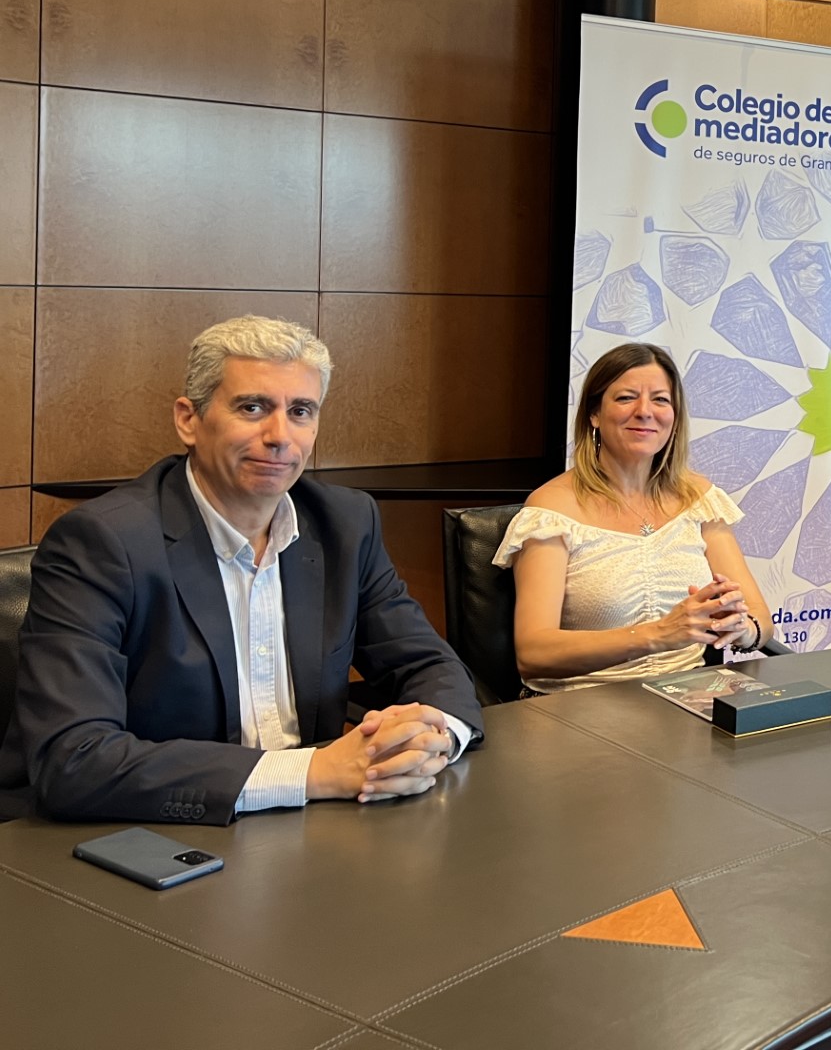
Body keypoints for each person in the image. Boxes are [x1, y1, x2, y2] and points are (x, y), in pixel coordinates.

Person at [0, 316, 483, 825]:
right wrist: (311, 772)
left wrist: (430, 739)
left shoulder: (345, 524)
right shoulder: (102, 542)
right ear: (188, 420)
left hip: (308, 823)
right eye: (252, 408)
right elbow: (74, 758)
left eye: (300, 411)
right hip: (145, 830)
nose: (280, 436)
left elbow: (431, 667)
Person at [498, 342, 775, 691]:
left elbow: (760, 617)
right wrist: (659, 634)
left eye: (660, 400)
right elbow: (534, 653)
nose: (645, 411)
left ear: (674, 418)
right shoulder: (552, 509)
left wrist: (742, 629)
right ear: (594, 414)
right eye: (626, 398)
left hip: (687, 696)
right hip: (581, 703)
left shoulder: (699, 498)